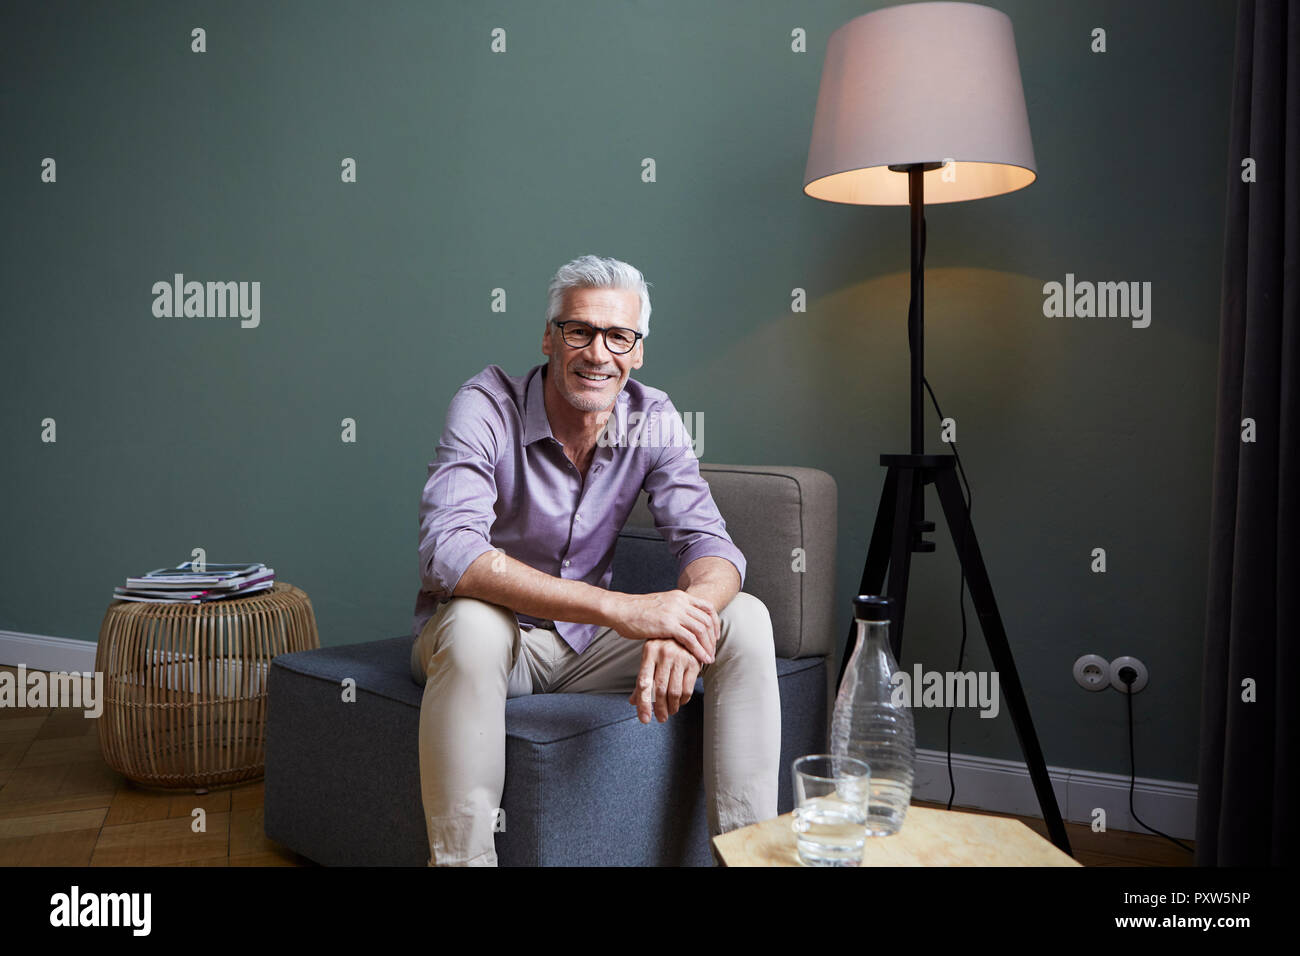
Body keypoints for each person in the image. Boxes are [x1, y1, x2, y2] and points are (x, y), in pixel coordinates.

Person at [409, 254, 780, 866]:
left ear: (637, 352)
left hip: (587, 648)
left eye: (618, 337)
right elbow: (449, 552)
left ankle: (748, 860)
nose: (597, 353)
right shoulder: (485, 404)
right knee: (477, 623)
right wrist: (625, 609)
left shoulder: (652, 417)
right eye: (579, 331)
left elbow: (710, 546)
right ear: (550, 338)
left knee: (745, 617)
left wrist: (683, 620)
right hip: (491, 646)